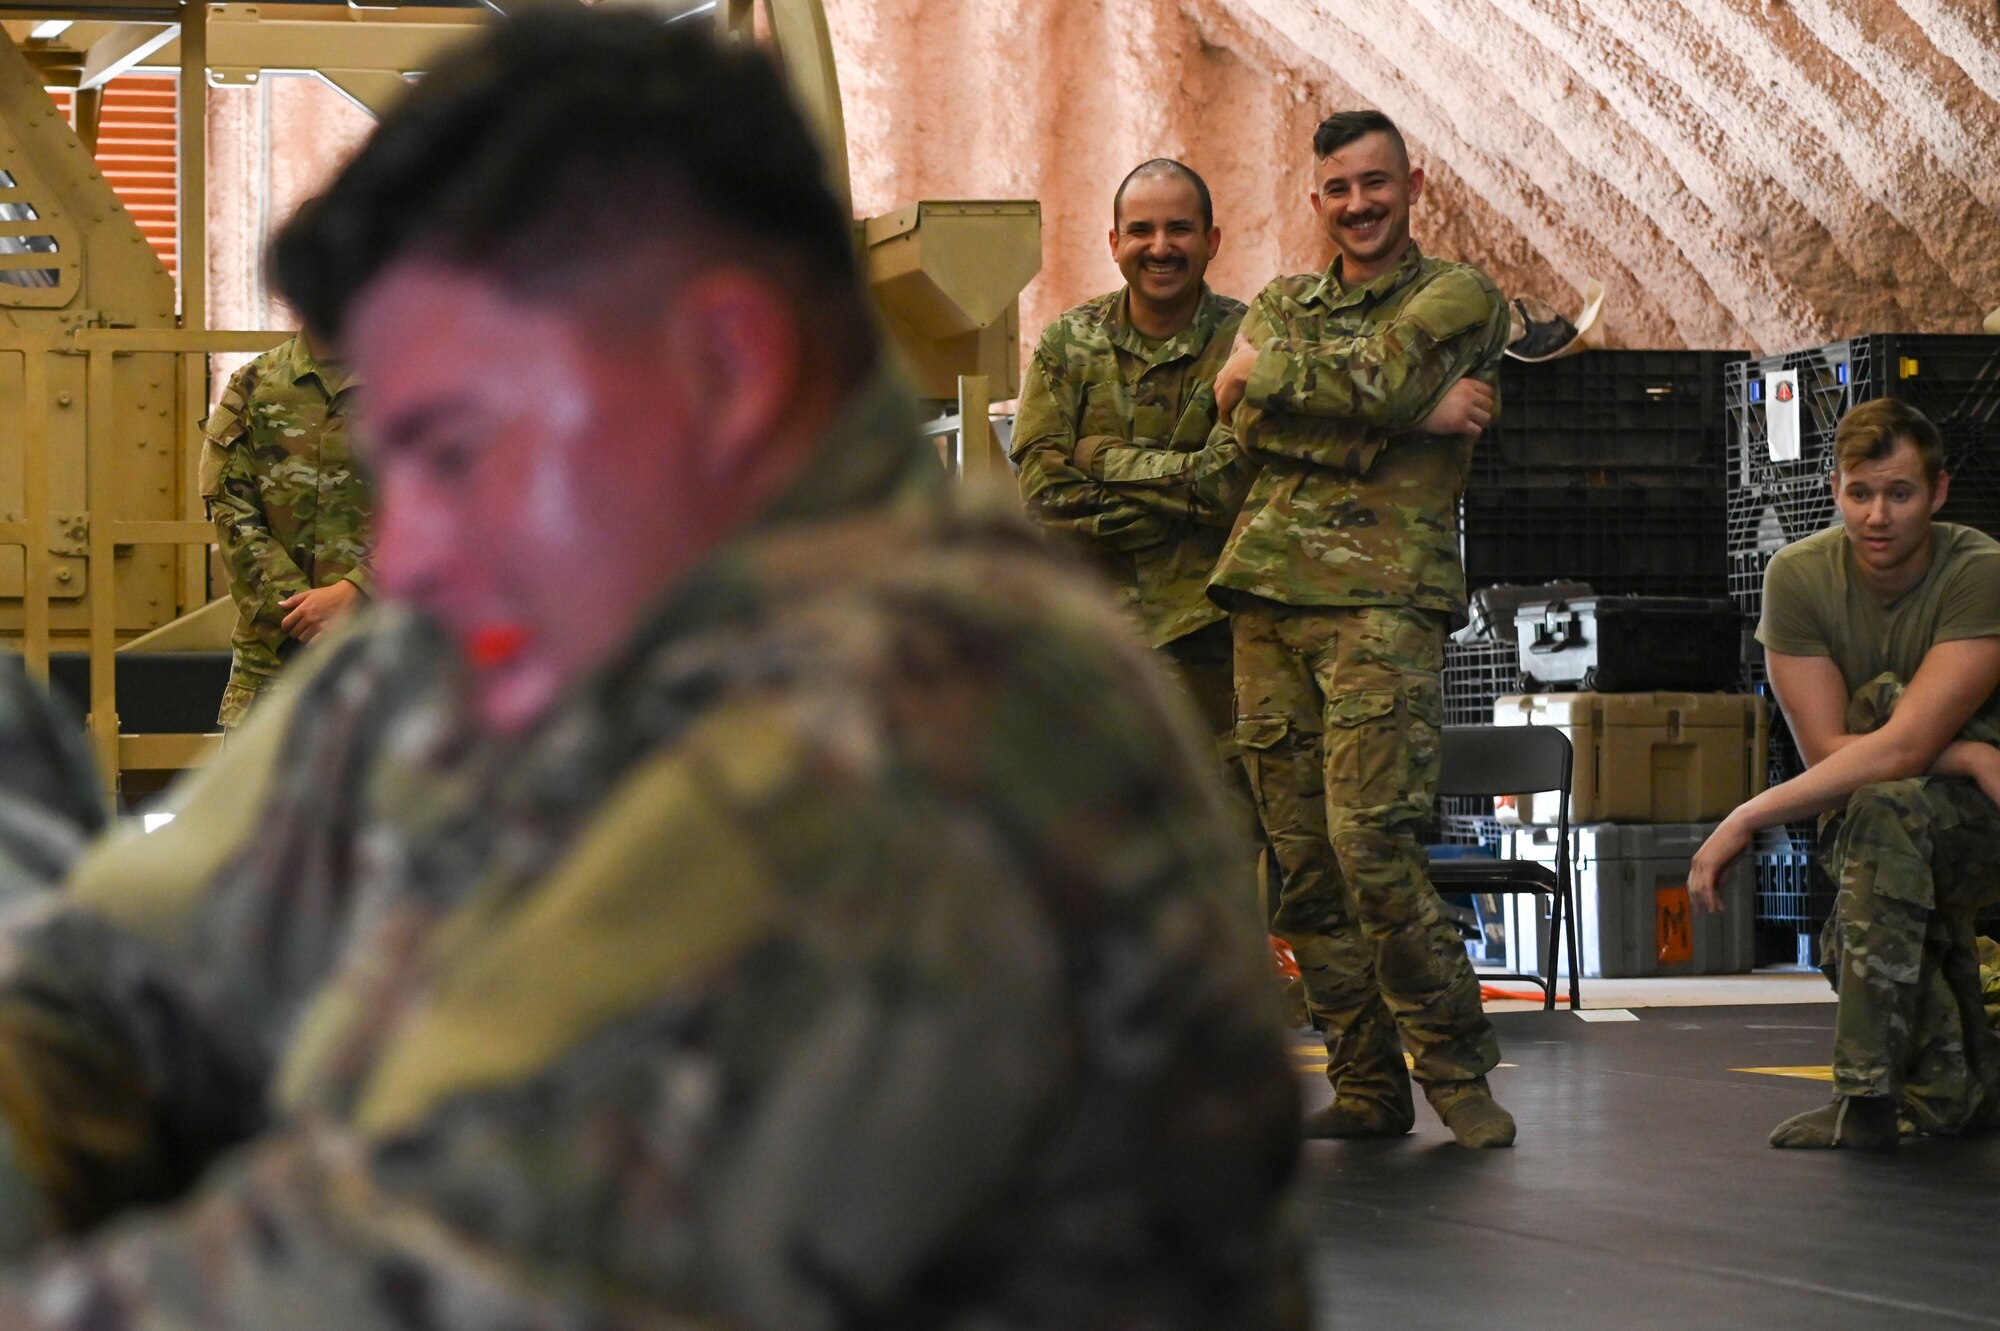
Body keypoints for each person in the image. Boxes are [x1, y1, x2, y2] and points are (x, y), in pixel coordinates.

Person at [0, 13, 1304, 1329]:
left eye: (460, 447)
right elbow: (117, 995)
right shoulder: (483, 646)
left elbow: (400, 1281)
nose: (408, 552)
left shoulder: (919, 750)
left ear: (725, 372)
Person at [1206, 109, 1514, 1147]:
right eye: (1337, 188)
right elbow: (1240, 422)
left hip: (1383, 600)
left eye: (1374, 183)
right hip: (1266, 598)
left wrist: (1282, 382)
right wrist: (1405, 418)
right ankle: (1368, 1083)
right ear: (1315, 198)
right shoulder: (1285, 297)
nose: (1357, 204)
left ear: (1411, 184)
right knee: (1298, 865)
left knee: (1370, 844)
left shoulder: (1458, 295)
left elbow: (1311, 385)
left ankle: (1457, 1070)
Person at [1689, 398, 2000, 1150]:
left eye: (1900, 493)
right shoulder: (1797, 577)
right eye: (1860, 493)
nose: (1878, 515)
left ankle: (1865, 1098)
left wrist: (1743, 816)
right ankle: (1966, 1077)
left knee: (1883, 817)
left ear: (1939, 493)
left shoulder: (1980, 571)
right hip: (1900, 805)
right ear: (1835, 491)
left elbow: (1895, 749)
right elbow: (1833, 755)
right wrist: (1965, 751)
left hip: (1978, 820)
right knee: (1872, 864)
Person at [1011, 159, 1247, 750]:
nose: (1160, 247)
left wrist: (1099, 458)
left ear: (1212, 241)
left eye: (1180, 229)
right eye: (1141, 230)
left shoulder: (1248, 342)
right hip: (1092, 645)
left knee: (1224, 829)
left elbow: (1231, 486)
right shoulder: (1069, 343)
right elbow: (1042, 492)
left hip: (1214, 643)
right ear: (1115, 243)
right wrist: (1175, 507)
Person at [200, 331, 372, 728]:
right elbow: (231, 510)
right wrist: (300, 613)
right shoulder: (253, 385)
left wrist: (359, 591)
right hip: (275, 671)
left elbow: (443, 506)